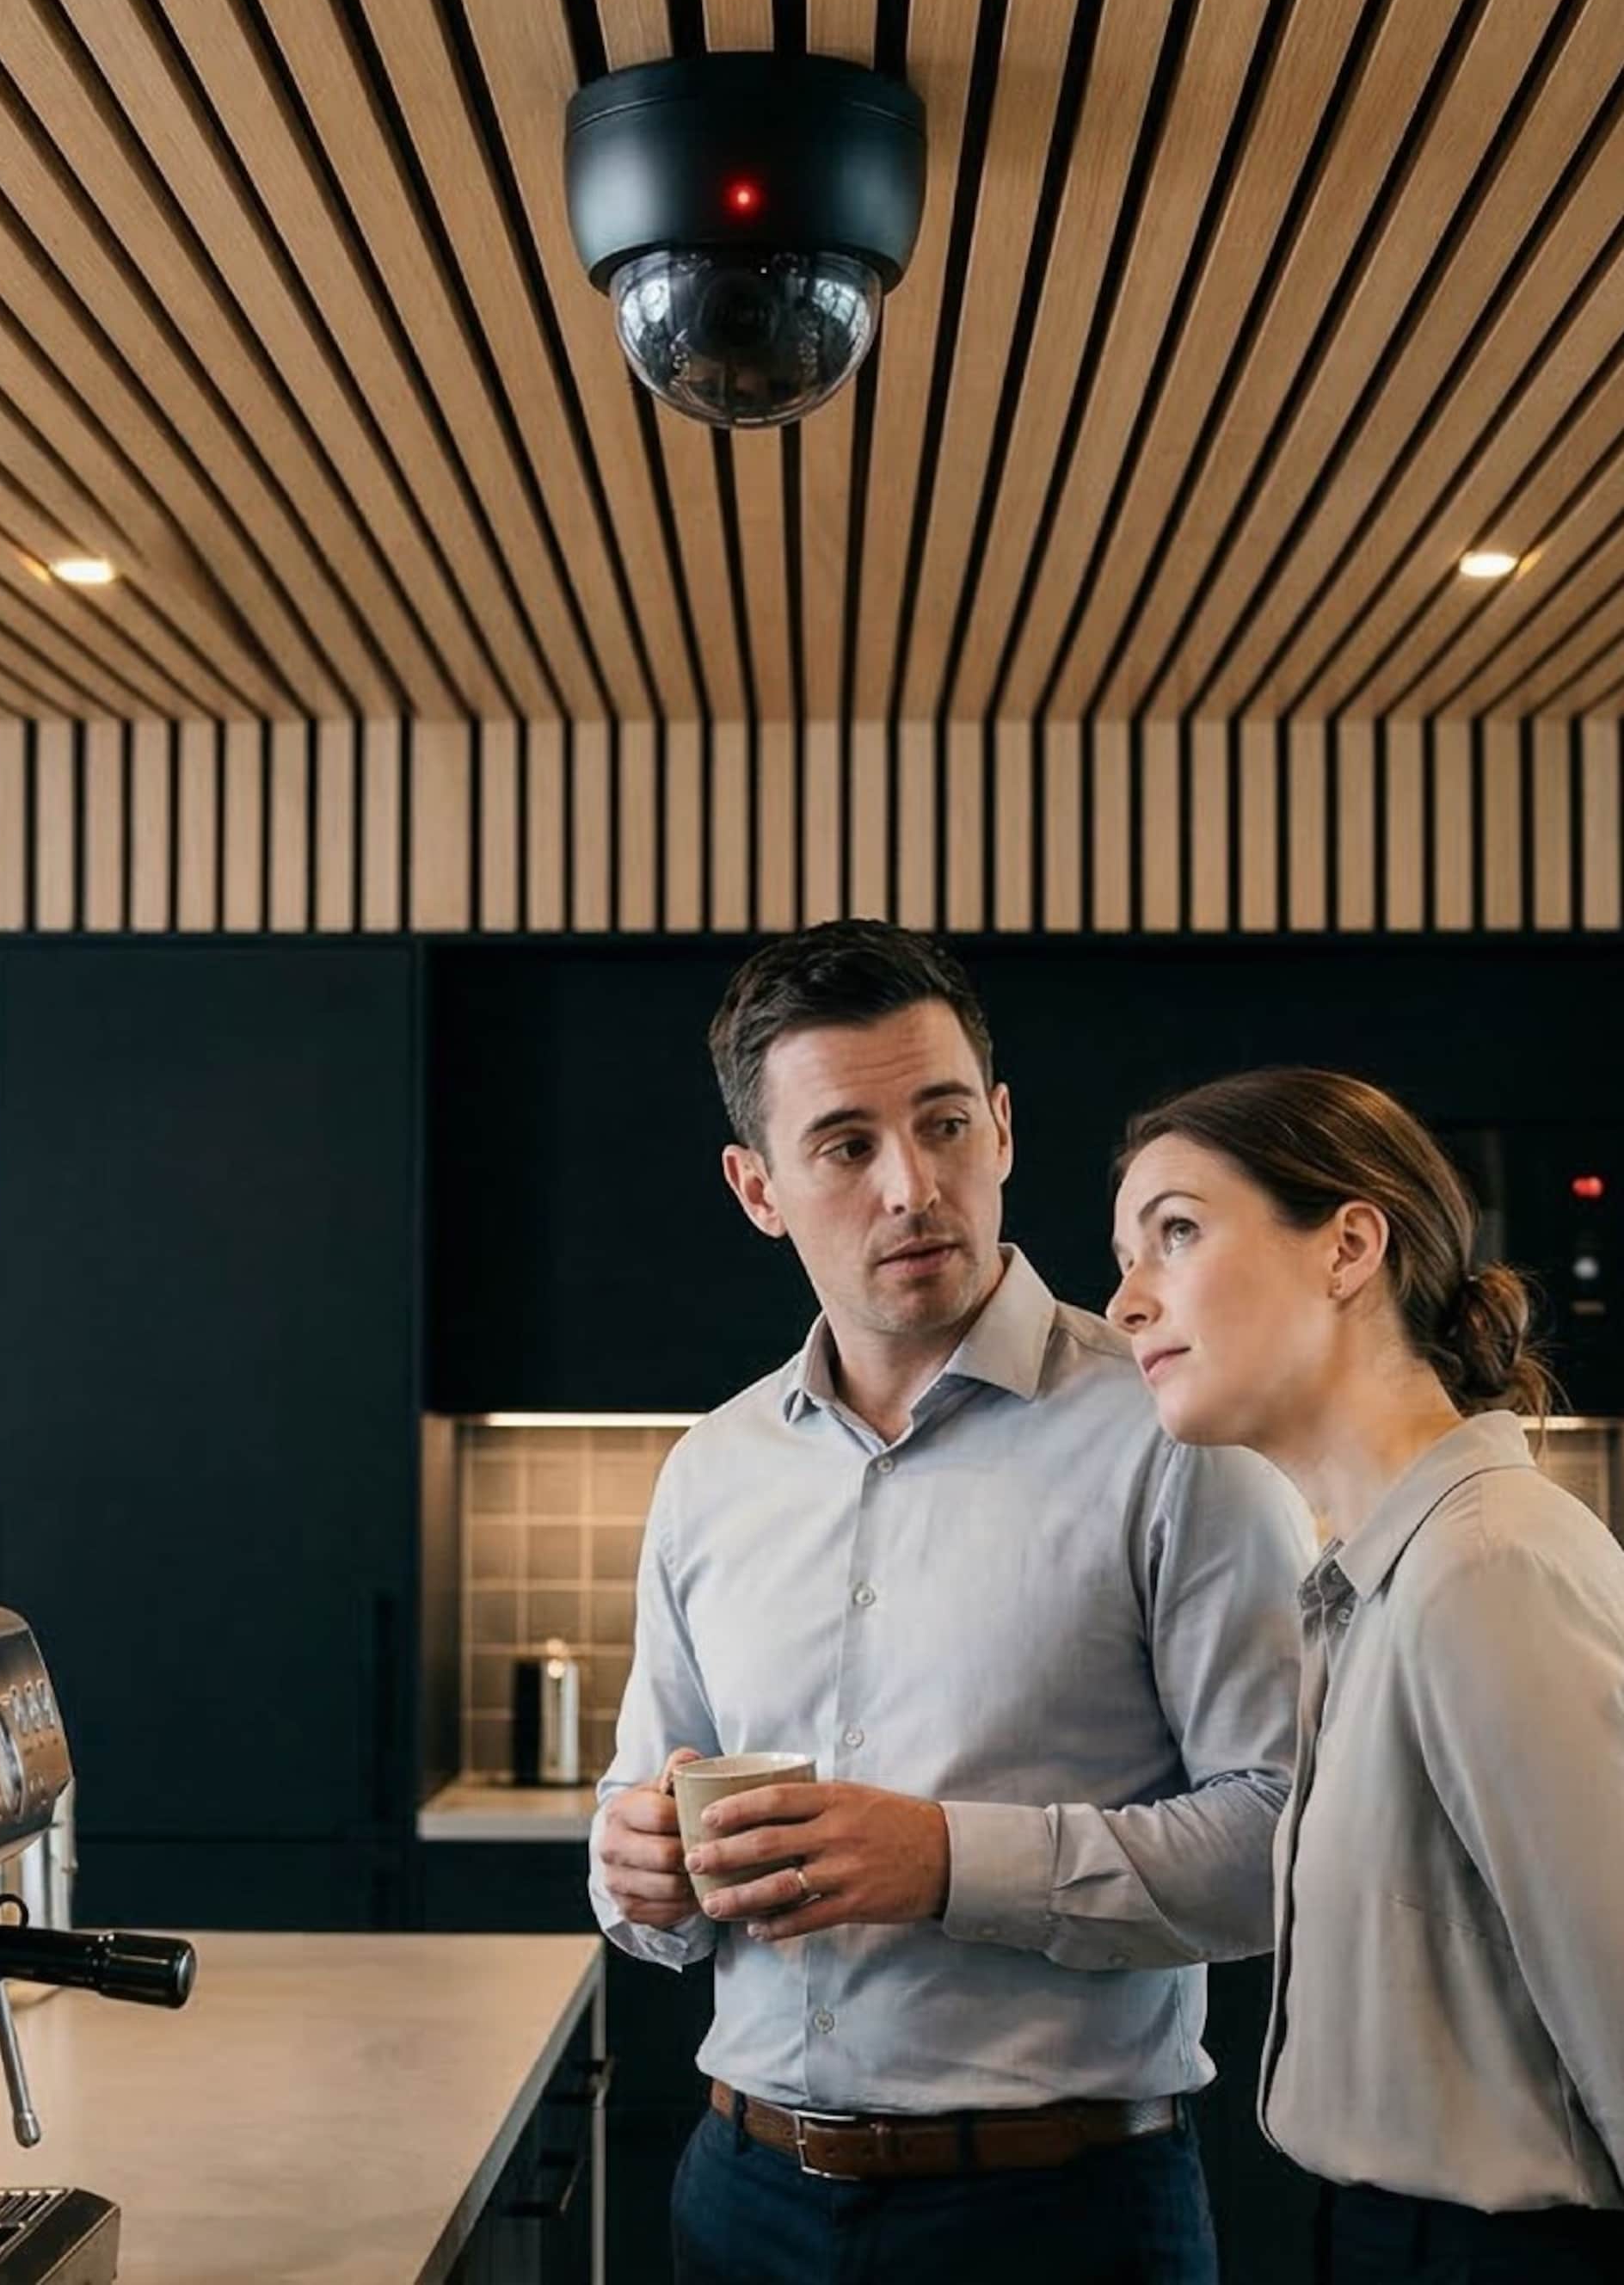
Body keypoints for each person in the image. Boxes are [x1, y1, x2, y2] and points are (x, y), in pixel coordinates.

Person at [589, 921, 1314, 2285]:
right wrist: (632, 1869)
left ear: (1001, 1127)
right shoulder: (712, 1470)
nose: (911, 1187)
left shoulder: (1180, 1437)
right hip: (737, 2198)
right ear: (759, 1187)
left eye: (940, 1126)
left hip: (1063, 2215)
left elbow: (1285, 1846)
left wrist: (943, 1862)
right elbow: (648, 1830)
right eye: (846, 1145)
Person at [1107, 1066, 1624, 2284]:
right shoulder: (1375, 1578)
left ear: (1347, 1248)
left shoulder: (1483, 1568)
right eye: (1129, 1252)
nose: (1127, 1301)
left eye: (1175, 1231)